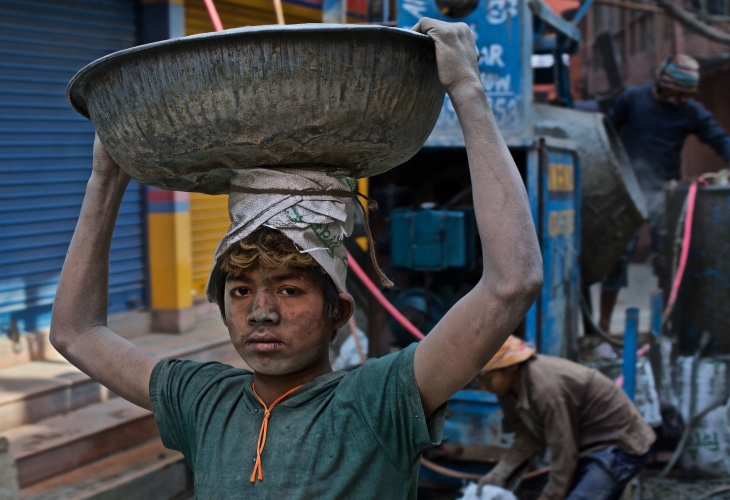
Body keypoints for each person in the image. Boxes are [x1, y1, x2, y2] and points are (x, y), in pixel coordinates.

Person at [49, 19, 543, 499]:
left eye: (289, 289)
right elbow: (76, 333)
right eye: (240, 291)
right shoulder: (202, 401)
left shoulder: (381, 401)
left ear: (339, 311)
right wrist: (106, 179)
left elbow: (511, 284)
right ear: (221, 308)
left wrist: (467, 91)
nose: (261, 311)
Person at [599, 54, 730, 333]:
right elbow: (603, 136)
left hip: (664, 192)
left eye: (686, 95)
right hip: (627, 191)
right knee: (616, 260)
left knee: (668, 260)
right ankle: (603, 325)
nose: (681, 100)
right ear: (664, 83)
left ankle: (668, 326)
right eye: (678, 93)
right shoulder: (632, 100)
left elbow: (719, 139)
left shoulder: (690, 112)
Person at [477, 336, 655, 500]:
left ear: (512, 366)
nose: (483, 387)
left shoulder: (544, 388)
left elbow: (564, 453)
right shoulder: (508, 391)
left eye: (488, 377)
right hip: (585, 446)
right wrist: (500, 473)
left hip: (618, 444)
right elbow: (527, 435)